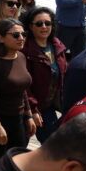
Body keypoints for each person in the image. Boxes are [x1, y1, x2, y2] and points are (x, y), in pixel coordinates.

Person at [0, 18, 34, 167]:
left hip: (18, 120)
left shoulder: (21, 57)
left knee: (18, 164)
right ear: (1, 38)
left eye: (24, 34)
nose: (21, 38)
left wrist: (28, 115)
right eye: (15, 35)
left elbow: (22, 89)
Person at [22, 7, 68, 142]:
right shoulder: (25, 50)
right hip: (31, 109)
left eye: (47, 23)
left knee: (53, 145)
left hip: (50, 106)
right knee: (19, 148)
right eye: (39, 23)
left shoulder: (57, 46)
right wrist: (33, 111)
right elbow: (25, 85)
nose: (44, 27)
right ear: (30, 26)